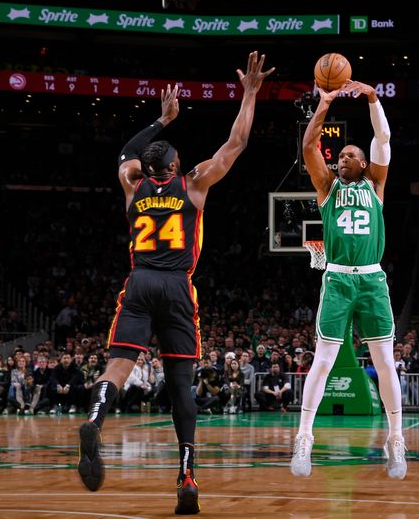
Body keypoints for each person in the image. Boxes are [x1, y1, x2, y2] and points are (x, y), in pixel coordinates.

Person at [77, 51, 273, 516]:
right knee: (181, 385)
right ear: (176, 165)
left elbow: (126, 151)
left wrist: (160, 121)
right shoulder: (195, 183)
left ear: (147, 171)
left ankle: (94, 419)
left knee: (119, 367)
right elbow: (237, 142)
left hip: (140, 281)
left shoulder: (132, 184)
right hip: (176, 287)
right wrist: (248, 94)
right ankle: (186, 475)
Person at [291, 79, 407, 480]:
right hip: (338, 278)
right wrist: (322, 105)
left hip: (373, 280)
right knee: (322, 362)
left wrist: (373, 99)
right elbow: (309, 148)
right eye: (340, 155)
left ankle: (395, 438)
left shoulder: (376, 185)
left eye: (351, 154)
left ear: (364, 164)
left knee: (385, 362)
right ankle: (304, 436)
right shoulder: (327, 187)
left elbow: (384, 137)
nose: (343, 158)